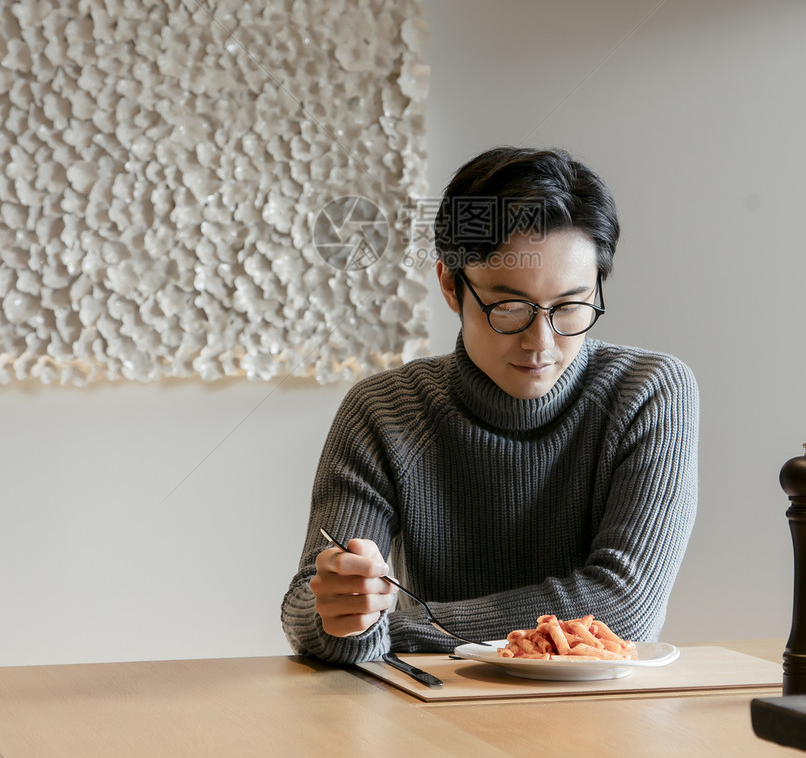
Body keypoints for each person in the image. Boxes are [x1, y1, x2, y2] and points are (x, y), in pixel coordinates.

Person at [281, 146, 698, 664]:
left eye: (570, 306)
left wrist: (402, 624)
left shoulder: (647, 393)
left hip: (600, 712)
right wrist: (347, 615)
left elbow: (624, 608)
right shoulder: (384, 411)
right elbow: (310, 608)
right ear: (451, 286)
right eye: (509, 307)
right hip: (436, 714)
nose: (541, 341)